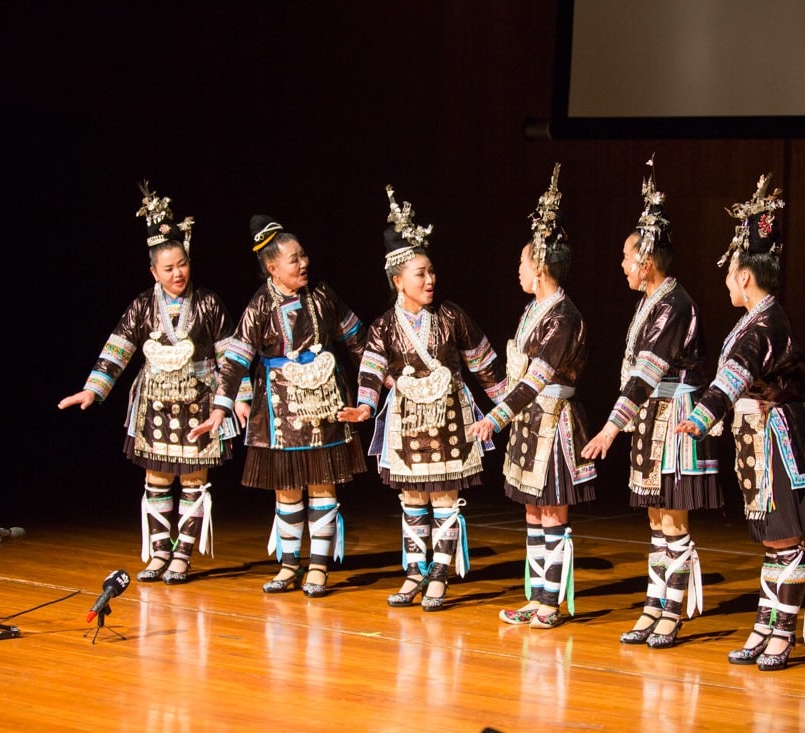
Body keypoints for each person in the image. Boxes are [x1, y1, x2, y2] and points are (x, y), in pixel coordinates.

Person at [676, 174, 805, 671]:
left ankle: (781, 634)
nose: (726, 282)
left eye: (729, 274)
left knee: (784, 538)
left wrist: (701, 418)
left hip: (776, 439)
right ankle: (765, 627)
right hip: (757, 439)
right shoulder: (759, 320)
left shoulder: (766, 323)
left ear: (745, 276)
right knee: (771, 538)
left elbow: (734, 375)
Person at [59, 182, 245, 584]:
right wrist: (93, 389)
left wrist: (239, 398)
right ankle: (160, 553)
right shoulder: (142, 305)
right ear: (153, 272)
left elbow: (233, 354)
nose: (178, 273)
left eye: (182, 264)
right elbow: (118, 350)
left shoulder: (209, 303)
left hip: (199, 403)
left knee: (194, 481)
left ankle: (183, 556)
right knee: (157, 479)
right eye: (168, 268)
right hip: (156, 406)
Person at [338, 186, 506, 611]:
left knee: (445, 500)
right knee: (412, 499)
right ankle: (415, 572)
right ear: (398, 280)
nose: (430, 280)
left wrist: (508, 406)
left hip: (450, 418)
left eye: (431, 271)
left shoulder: (451, 317)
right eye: (420, 274)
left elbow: (483, 363)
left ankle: (439, 576)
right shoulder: (383, 326)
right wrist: (364, 406)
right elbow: (372, 371)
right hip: (408, 421)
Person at [582, 158, 722, 649]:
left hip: (674, 418)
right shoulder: (651, 302)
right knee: (655, 519)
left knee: (674, 519)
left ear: (647, 259)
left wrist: (610, 427)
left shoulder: (674, 303)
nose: (622, 265)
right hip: (651, 418)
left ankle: (672, 613)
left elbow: (647, 371)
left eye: (626, 256)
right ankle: (654, 605)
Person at [187, 215, 367, 597]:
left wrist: (380, 378)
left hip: (324, 403)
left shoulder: (322, 295)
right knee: (286, 489)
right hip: (280, 410)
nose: (303, 264)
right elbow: (235, 359)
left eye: (303, 256)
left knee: (322, 485)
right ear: (272, 267)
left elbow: (355, 338)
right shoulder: (259, 307)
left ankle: (318, 567)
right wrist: (219, 408)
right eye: (293, 260)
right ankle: (288, 566)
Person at [468, 164, 597, 629]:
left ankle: (550, 603)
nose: (517, 270)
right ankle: (535, 596)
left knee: (553, 511)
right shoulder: (532, 310)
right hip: (529, 421)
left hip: (553, 421)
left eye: (522, 263)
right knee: (533, 511)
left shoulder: (562, 316)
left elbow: (538, 378)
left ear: (539, 266)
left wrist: (496, 416)